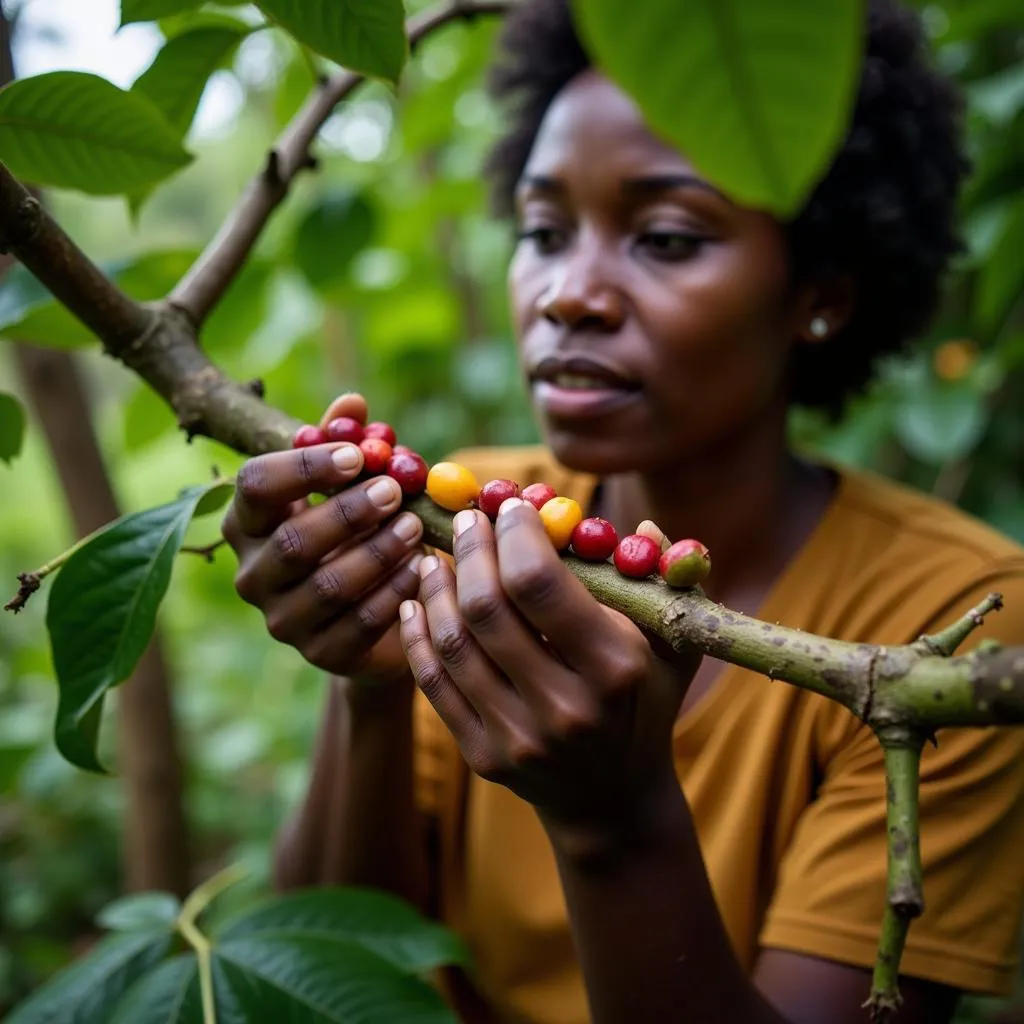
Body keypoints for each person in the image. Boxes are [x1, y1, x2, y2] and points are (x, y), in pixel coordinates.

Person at [220, 0, 1024, 1021]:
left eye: (666, 237)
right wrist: (369, 688)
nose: (567, 294)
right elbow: (334, 962)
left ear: (822, 291)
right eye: (544, 230)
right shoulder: (472, 526)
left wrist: (615, 818)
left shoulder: (954, 619)